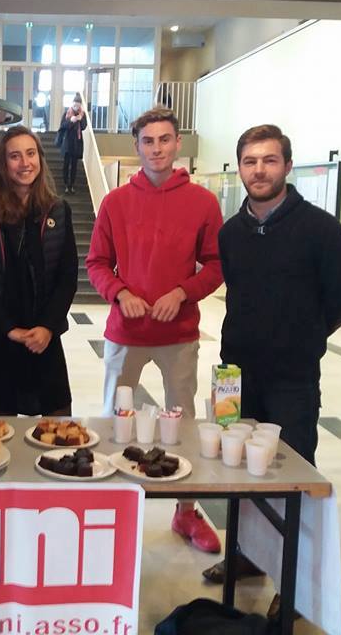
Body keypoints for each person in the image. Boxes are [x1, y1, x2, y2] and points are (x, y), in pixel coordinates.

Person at [202, 124, 341, 598]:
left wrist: (303, 337)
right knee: (235, 472)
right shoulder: (231, 233)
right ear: (241, 168)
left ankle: (295, 592)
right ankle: (247, 556)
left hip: (292, 379)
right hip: (236, 375)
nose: (259, 170)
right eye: (250, 162)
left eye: (269, 160)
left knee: (292, 478)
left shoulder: (322, 230)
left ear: (287, 166)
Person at [86, 107, 224, 553]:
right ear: (137, 146)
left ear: (177, 143)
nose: (157, 148)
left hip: (179, 331)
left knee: (181, 424)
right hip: (125, 330)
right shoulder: (116, 202)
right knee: (111, 420)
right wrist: (119, 292)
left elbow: (217, 264)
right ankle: (107, 508)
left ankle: (186, 511)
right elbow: (97, 263)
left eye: (165, 139)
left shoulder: (203, 202)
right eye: (148, 141)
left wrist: (183, 292)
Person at [0, 125, 78, 416]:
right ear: (3, 164)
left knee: (59, 423)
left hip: (44, 337)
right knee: (4, 429)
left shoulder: (58, 211)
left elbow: (68, 276)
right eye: (15, 156)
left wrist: (48, 327)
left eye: (30, 153)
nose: (25, 163)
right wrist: (9, 329)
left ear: (40, 157)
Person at [57, 92, 88, 194]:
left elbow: (83, 127)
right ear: (72, 103)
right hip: (67, 143)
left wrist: (80, 119)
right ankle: (66, 184)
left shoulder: (82, 115)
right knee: (66, 165)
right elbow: (62, 127)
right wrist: (71, 121)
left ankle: (72, 185)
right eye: (75, 104)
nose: (76, 106)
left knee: (74, 165)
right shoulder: (67, 114)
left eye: (78, 104)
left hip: (77, 144)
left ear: (80, 105)